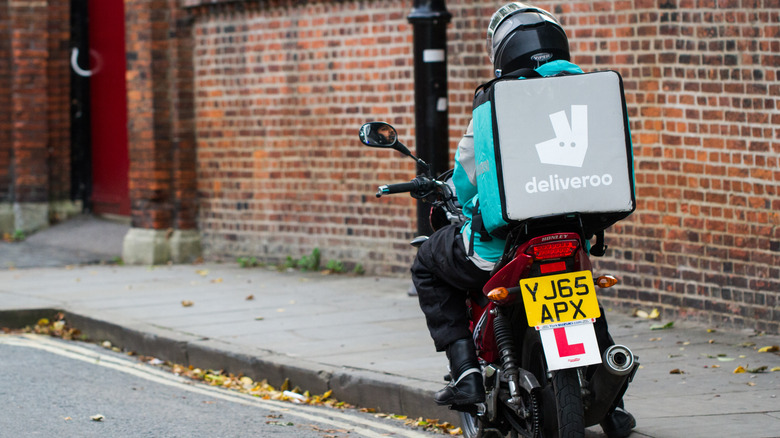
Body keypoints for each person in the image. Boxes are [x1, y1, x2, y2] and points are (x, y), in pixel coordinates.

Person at [410, 3, 636, 437]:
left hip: (502, 247)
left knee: (427, 264)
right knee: (580, 290)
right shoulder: (592, 92)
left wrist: (448, 192)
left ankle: (466, 375)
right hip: (572, 236)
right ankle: (614, 401)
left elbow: (466, 177)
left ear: (502, 51)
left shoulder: (494, 103)